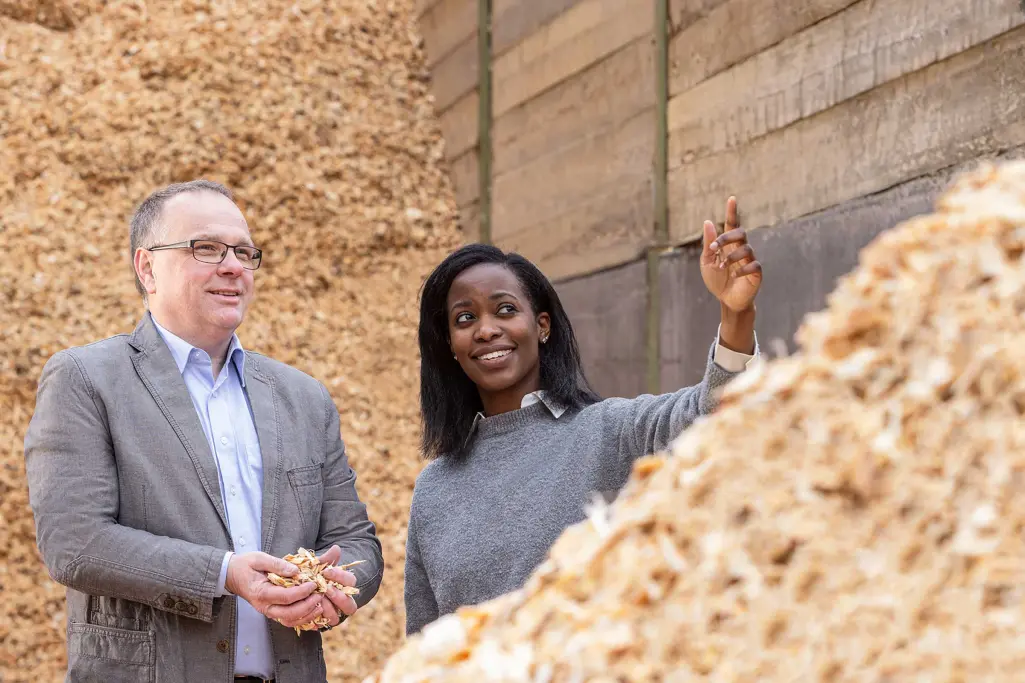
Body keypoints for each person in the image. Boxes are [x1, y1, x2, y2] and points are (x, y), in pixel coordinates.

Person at [24, 180, 384, 683]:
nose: (233, 266)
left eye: (243, 251)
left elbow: (355, 538)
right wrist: (224, 574)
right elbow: (75, 543)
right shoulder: (86, 380)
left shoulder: (303, 397)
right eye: (206, 249)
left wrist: (337, 589)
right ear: (147, 267)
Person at [404, 197, 762, 635]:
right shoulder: (434, 489)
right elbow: (423, 647)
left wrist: (736, 314)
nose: (486, 329)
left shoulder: (608, 433)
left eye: (505, 310)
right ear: (451, 346)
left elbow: (713, 415)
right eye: (465, 318)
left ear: (542, 326)